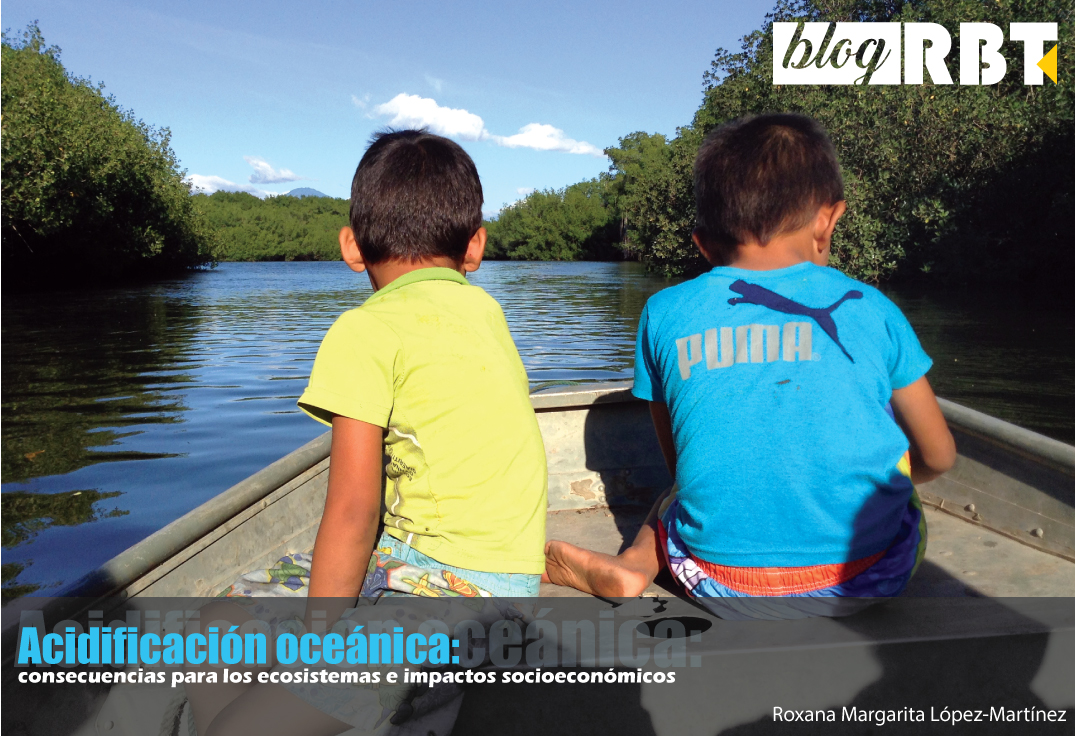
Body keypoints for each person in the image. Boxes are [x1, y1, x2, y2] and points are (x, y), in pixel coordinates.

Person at [186, 129, 548, 736]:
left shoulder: (363, 331)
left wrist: (318, 647)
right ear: (476, 246)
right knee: (224, 618)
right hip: (499, 585)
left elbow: (354, 509)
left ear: (352, 247)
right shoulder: (486, 311)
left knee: (222, 668)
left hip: (448, 595)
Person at [543, 113, 956, 619]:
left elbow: (682, 468)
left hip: (720, 584)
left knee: (672, 497)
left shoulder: (664, 312)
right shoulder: (872, 308)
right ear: (829, 219)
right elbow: (939, 456)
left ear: (701, 242)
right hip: (869, 579)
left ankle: (633, 562)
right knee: (889, 451)